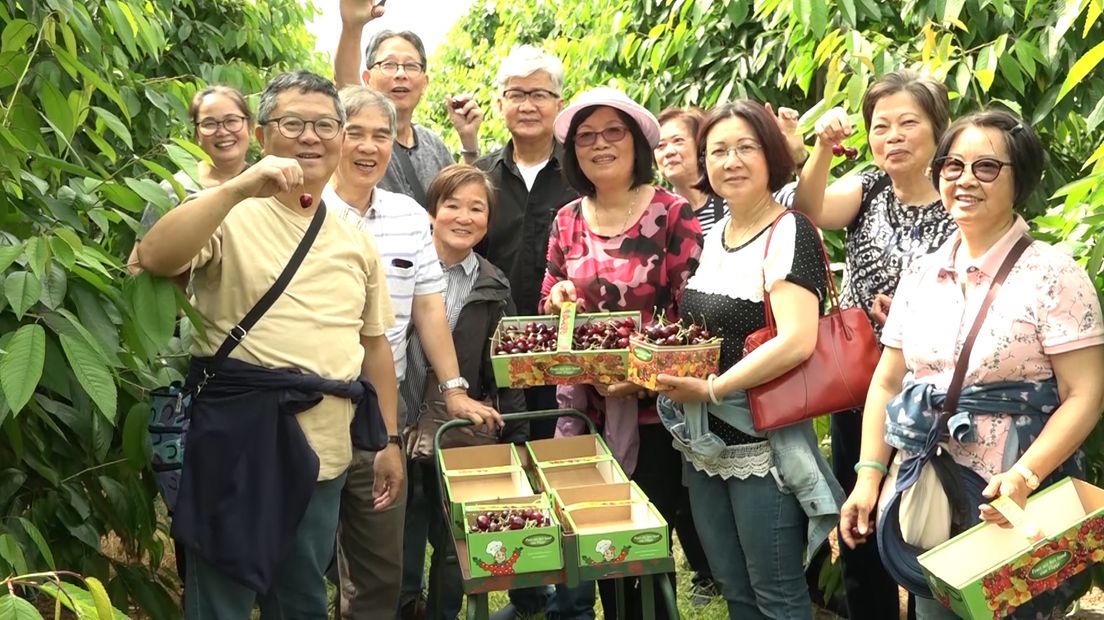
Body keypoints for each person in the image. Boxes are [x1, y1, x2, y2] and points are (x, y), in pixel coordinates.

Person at [138, 70, 402, 619]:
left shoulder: (355, 240)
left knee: (302, 593)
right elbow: (156, 257)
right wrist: (235, 188)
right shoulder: (228, 211)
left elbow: (373, 347)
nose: (311, 136)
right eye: (292, 123)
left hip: (324, 449)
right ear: (263, 137)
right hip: (237, 440)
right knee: (222, 595)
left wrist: (390, 440)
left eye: (326, 125)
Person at [838, 110, 1104, 619]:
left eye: (986, 167)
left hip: (1013, 496)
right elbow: (890, 380)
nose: (964, 179)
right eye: (952, 165)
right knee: (935, 608)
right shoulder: (920, 274)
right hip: (928, 484)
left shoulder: (1053, 275)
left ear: (1018, 179)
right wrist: (869, 477)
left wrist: (1025, 476)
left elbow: (1085, 394)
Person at [654, 100, 844, 620]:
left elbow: (797, 340)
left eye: (746, 147)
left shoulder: (790, 232)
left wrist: (713, 389)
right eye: (718, 150)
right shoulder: (715, 235)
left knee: (778, 596)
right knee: (734, 590)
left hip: (763, 447)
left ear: (771, 156)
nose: (731, 161)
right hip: (704, 443)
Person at [322, 86, 501, 619]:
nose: (369, 146)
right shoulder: (303, 208)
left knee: (380, 560)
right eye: (355, 131)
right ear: (333, 135)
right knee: (308, 551)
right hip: (306, 401)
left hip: (382, 404)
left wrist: (455, 390)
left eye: (382, 134)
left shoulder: (406, 215)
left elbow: (427, 309)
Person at [792, 69, 956, 620]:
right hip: (866, 382)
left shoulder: (964, 196)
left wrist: (912, 316)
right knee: (859, 511)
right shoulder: (870, 186)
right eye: (880, 125)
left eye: (909, 122)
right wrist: (821, 149)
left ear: (939, 129)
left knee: (932, 516)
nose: (893, 136)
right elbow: (810, 210)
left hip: (939, 388)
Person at [542, 86, 703, 619]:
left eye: (614, 132)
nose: (600, 144)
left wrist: (642, 374)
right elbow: (550, 292)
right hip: (585, 408)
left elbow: (694, 318)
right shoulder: (567, 219)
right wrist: (557, 297)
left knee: (647, 541)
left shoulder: (672, 213)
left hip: (655, 410)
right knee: (601, 536)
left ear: (637, 143)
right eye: (586, 136)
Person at [402, 164, 529, 619]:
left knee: (456, 542)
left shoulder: (493, 285)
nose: (463, 216)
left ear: (488, 222)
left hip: (460, 431)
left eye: (476, 208)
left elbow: (505, 368)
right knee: (401, 538)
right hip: (399, 423)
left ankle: (443, 613)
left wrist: (515, 438)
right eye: (452, 204)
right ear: (431, 211)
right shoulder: (402, 267)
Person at [335, 0, 482, 210]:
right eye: (389, 65)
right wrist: (352, 27)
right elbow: (346, 87)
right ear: (367, 79)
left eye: (411, 66)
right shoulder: (361, 136)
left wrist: (469, 142)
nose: (401, 74)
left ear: (425, 82)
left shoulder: (434, 145)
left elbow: (461, 202)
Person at [128, 85, 253, 275]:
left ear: (249, 126)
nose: (222, 131)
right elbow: (136, 265)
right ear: (196, 134)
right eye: (210, 123)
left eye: (232, 121)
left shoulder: (267, 184)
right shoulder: (174, 189)